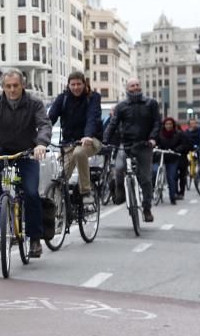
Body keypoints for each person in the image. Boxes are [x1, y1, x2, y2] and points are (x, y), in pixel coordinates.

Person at [0, 70, 51, 258]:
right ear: (3, 87)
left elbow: (44, 124)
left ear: (23, 86)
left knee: (30, 193)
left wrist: (41, 144)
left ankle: (35, 239)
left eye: (15, 86)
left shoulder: (34, 103)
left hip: (28, 151)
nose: (12, 90)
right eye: (8, 86)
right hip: (4, 149)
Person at [103, 77, 160, 222]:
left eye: (137, 85)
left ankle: (147, 208)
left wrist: (153, 138)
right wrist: (105, 141)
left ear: (140, 86)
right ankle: (120, 190)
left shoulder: (151, 103)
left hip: (144, 144)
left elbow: (157, 122)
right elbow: (113, 124)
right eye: (132, 86)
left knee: (145, 178)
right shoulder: (121, 106)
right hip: (126, 144)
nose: (135, 87)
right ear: (127, 89)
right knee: (119, 168)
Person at [47, 70, 102, 197]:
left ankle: (86, 191)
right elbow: (50, 118)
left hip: (91, 140)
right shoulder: (63, 98)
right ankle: (63, 209)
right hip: (69, 143)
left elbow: (92, 117)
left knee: (79, 152)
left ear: (84, 84)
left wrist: (88, 135)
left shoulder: (93, 98)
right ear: (68, 85)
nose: (76, 87)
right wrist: (40, 134)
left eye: (79, 84)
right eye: (73, 84)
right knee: (61, 177)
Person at [154, 117, 188, 205]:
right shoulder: (159, 133)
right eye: (166, 124)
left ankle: (172, 197)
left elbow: (183, 145)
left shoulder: (178, 134)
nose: (168, 126)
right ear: (164, 125)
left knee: (171, 177)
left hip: (172, 158)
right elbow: (155, 142)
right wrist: (155, 147)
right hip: (160, 156)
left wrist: (176, 150)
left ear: (173, 125)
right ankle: (153, 192)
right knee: (153, 172)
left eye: (170, 124)